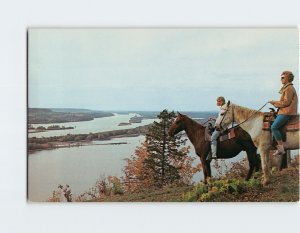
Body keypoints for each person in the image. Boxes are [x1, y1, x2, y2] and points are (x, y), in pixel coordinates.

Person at [269, 71, 298, 156]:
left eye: (282, 77)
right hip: (285, 111)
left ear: (288, 78)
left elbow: (286, 102)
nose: (281, 79)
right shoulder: (287, 87)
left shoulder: (289, 88)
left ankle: (280, 148)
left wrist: (274, 103)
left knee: (274, 127)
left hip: (287, 113)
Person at [207, 96, 227, 161]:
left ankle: (214, 155)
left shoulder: (224, 109)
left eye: (218, 101)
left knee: (213, 138)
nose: (217, 102)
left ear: (222, 101)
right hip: (219, 125)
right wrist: (213, 119)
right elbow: (219, 119)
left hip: (221, 127)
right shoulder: (222, 108)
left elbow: (223, 120)